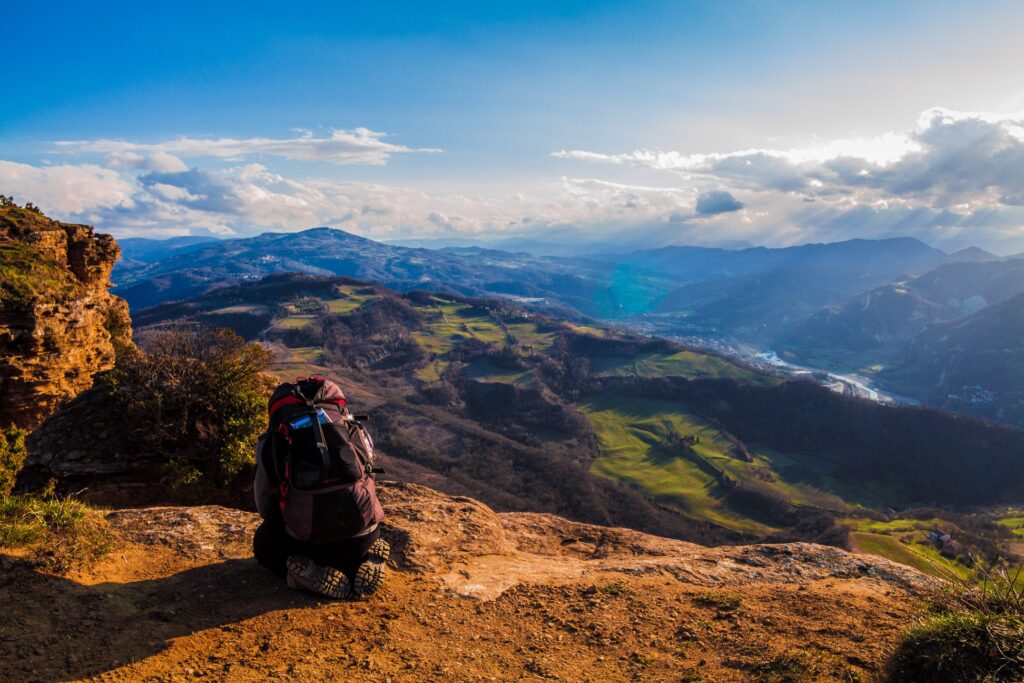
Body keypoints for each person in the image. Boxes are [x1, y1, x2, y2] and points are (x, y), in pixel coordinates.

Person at [252, 376, 389, 599]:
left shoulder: (273, 441)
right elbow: (368, 478)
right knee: (362, 531)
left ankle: (300, 576)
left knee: (263, 543)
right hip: (361, 533)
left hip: (309, 542)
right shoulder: (354, 429)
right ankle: (362, 559)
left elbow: (265, 508)